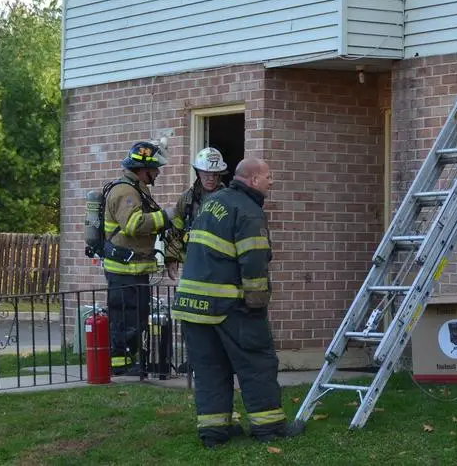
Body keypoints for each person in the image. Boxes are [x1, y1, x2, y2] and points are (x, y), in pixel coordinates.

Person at [172, 157, 305, 448]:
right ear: (253, 180)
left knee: (210, 368)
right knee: (257, 362)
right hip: (229, 306)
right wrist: (256, 304)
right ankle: (269, 427)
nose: (272, 181)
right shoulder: (248, 211)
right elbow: (254, 260)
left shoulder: (214, 201)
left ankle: (214, 432)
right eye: (268, 176)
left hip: (192, 306)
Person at [103, 141, 171, 376]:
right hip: (124, 271)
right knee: (125, 319)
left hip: (134, 271)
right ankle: (120, 366)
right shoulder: (126, 191)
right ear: (143, 169)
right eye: (155, 169)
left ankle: (130, 360)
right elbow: (133, 225)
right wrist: (165, 217)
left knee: (136, 318)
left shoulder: (137, 188)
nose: (157, 173)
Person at [164, 147, 228, 279]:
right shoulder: (187, 199)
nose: (211, 178)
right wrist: (171, 258)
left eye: (215, 174)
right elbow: (176, 229)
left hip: (221, 262)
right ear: (198, 173)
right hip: (192, 261)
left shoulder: (229, 199)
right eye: (206, 174)